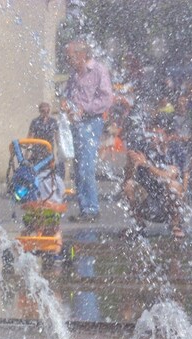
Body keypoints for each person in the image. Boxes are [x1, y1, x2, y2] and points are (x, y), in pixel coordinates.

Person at [61, 39, 114, 222]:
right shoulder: (74, 74)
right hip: (77, 123)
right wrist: (66, 104)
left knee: (86, 165)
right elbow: (69, 95)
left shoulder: (98, 70)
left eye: (70, 56)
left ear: (82, 55)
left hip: (91, 122)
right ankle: (85, 208)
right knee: (79, 165)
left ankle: (92, 208)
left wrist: (87, 108)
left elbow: (107, 99)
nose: (68, 60)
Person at [120, 113, 185, 239]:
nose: (153, 137)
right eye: (151, 133)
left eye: (158, 134)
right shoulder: (142, 149)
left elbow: (169, 175)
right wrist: (130, 164)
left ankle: (176, 224)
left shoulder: (174, 150)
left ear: (167, 136)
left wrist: (147, 165)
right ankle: (139, 225)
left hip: (167, 207)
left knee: (174, 186)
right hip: (147, 204)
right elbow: (126, 179)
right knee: (128, 186)